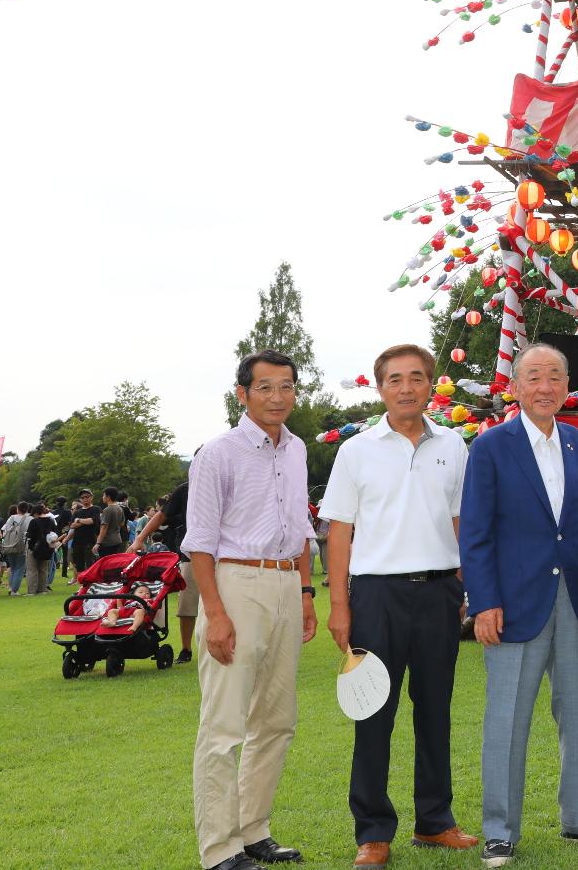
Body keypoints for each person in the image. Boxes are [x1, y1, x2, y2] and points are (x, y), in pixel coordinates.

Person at [319, 343, 478, 867]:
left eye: (416, 378)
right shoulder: (357, 450)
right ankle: (373, 830)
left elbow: (461, 524)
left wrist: (465, 588)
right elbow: (337, 532)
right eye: (394, 379)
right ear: (381, 386)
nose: (406, 387)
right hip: (376, 596)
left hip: (438, 593)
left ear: (431, 384)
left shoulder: (454, 445)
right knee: (373, 714)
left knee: (435, 711)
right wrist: (340, 605)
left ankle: (435, 822)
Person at [460, 343, 578, 868]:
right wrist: (483, 602)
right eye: (534, 377)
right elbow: (476, 534)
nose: (545, 386)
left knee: (577, 714)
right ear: (516, 386)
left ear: (567, 384)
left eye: (554, 376)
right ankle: (500, 830)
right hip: (511, 605)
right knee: (507, 719)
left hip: (573, 600)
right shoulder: (490, 447)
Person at [183, 350, 316, 870]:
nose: (277, 397)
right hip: (235, 583)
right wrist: (215, 613)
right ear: (243, 394)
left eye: (286, 386)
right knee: (223, 726)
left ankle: (252, 829)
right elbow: (199, 542)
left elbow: (302, 530)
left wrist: (306, 593)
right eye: (265, 387)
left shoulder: (298, 449)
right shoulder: (218, 453)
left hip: (286, 584)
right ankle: (219, 851)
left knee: (277, 720)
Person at [127, 474, 196, 661]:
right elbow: (161, 515)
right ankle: (186, 649)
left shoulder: (227, 483)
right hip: (192, 554)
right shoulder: (185, 489)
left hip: (225, 555)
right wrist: (139, 540)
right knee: (187, 606)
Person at [23, 504, 58, 596]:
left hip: (34, 548)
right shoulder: (51, 521)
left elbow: (29, 535)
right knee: (43, 569)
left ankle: (31, 591)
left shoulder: (34, 521)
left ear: (35, 513)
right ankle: (42, 589)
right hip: (47, 548)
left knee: (32, 569)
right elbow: (55, 532)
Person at [67, 490, 101, 578]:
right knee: (79, 566)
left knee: (90, 564)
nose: (85, 499)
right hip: (77, 542)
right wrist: (85, 521)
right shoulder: (77, 512)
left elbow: (93, 521)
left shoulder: (96, 509)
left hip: (90, 541)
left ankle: (90, 585)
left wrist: (79, 520)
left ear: (91, 497)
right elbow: (72, 525)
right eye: (83, 497)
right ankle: (81, 586)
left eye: (87, 497)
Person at [0, 504, 30, 594]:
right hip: (22, 545)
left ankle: (11, 587)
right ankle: (14, 590)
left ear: (18, 509)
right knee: (19, 568)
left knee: (12, 567)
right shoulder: (29, 519)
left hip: (10, 545)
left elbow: (5, 530)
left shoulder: (12, 518)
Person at [95, 488, 130, 559]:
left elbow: (104, 528)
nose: (103, 497)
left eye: (104, 495)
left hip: (107, 542)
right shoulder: (120, 508)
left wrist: (98, 543)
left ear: (108, 497)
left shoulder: (107, 510)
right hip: (117, 539)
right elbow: (122, 523)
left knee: (105, 563)